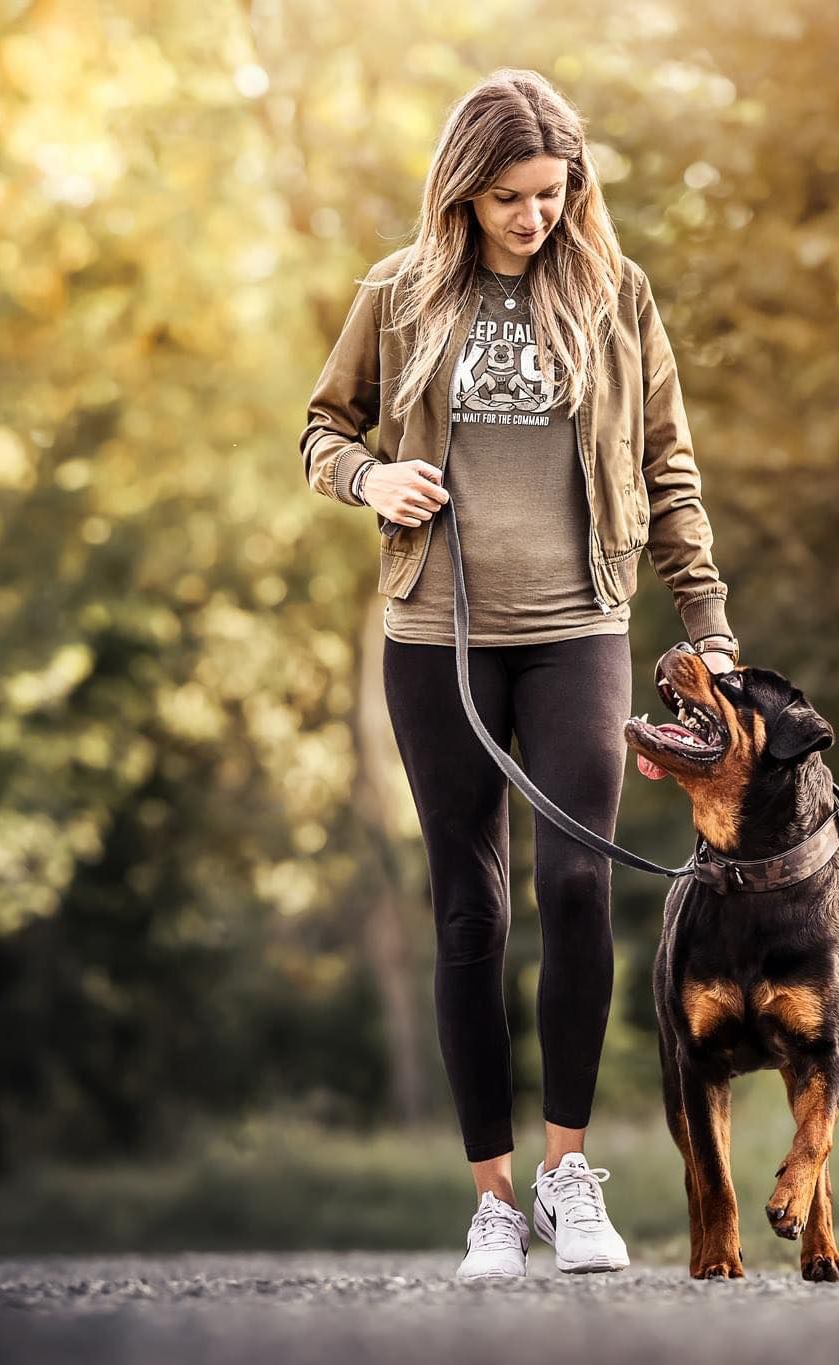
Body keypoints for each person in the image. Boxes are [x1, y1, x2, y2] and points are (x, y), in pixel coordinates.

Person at [300, 68, 741, 1281]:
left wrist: (704, 622)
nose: (531, 217)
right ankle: (491, 1197)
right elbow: (323, 429)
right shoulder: (397, 294)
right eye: (506, 197)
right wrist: (369, 481)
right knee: (468, 909)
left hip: (577, 629)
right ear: (462, 190)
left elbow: (668, 466)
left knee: (581, 887)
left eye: (551, 193)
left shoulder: (613, 294)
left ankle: (565, 1178)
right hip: (433, 635)